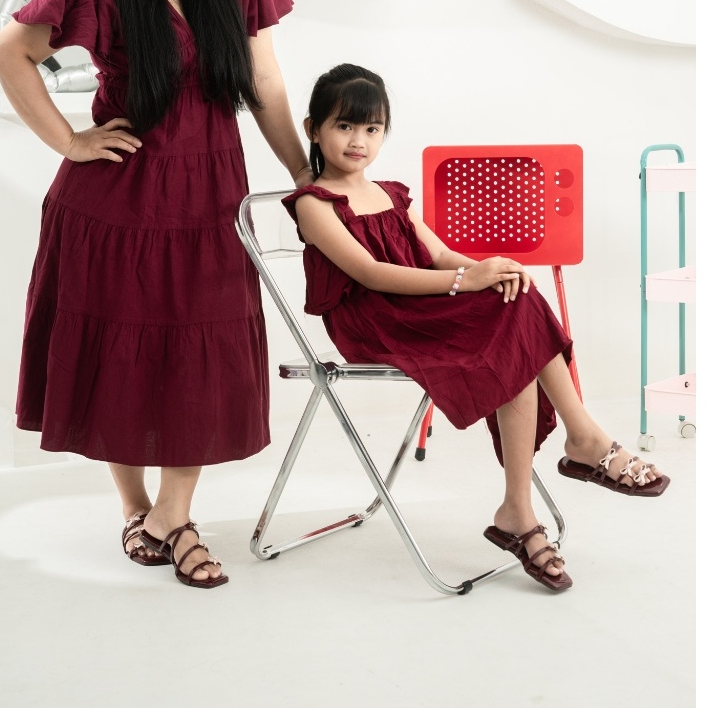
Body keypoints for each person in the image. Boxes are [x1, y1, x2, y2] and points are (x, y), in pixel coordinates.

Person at [0, 0, 314, 590]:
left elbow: (265, 84)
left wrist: (302, 173)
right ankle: (141, 512)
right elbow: (8, 53)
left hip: (210, 197)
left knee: (198, 350)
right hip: (115, 205)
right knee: (121, 357)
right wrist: (70, 141)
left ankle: (172, 514)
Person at [283, 64, 670, 592]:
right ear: (313, 129)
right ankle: (579, 446)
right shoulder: (314, 203)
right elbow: (371, 274)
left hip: (422, 305)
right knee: (512, 327)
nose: (359, 141)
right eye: (344, 126)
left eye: (372, 129)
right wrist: (468, 281)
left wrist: (491, 268)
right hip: (379, 321)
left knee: (516, 297)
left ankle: (524, 503)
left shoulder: (390, 194)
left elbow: (440, 255)